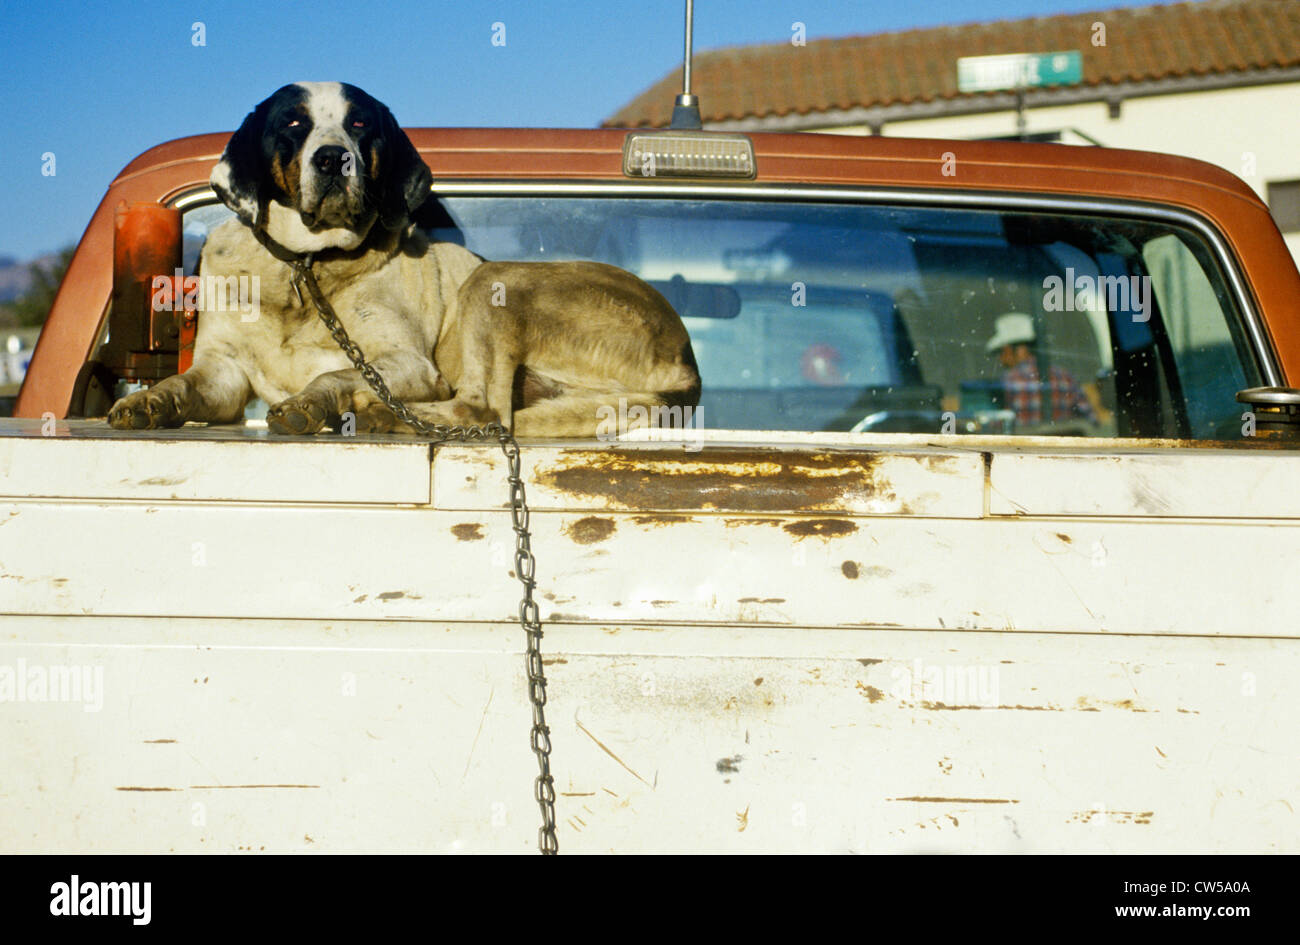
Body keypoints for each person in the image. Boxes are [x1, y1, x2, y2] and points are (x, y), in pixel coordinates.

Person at [985, 313, 1097, 426]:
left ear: (1010, 349)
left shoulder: (1007, 381)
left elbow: (995, 427)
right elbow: (1091, 420)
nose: (1000, 358)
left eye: (1001, 351)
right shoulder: (1065, 377)